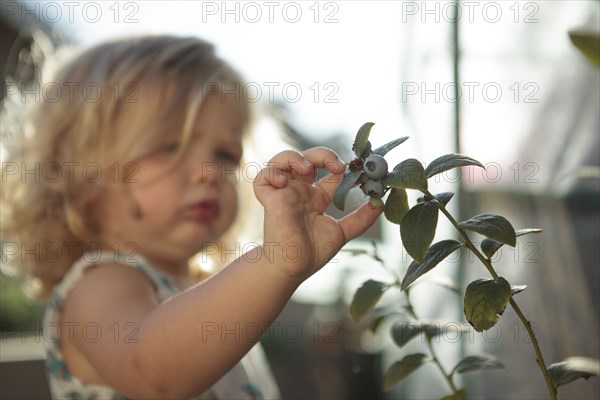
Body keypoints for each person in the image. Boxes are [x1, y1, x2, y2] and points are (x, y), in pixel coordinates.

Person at [1, 35, 383, 399]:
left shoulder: (209, 293)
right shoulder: (99, 284)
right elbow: (152, 369)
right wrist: (275, 261)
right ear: (79, 171)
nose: (209, 172)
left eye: (225, 155)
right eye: (170, 146)